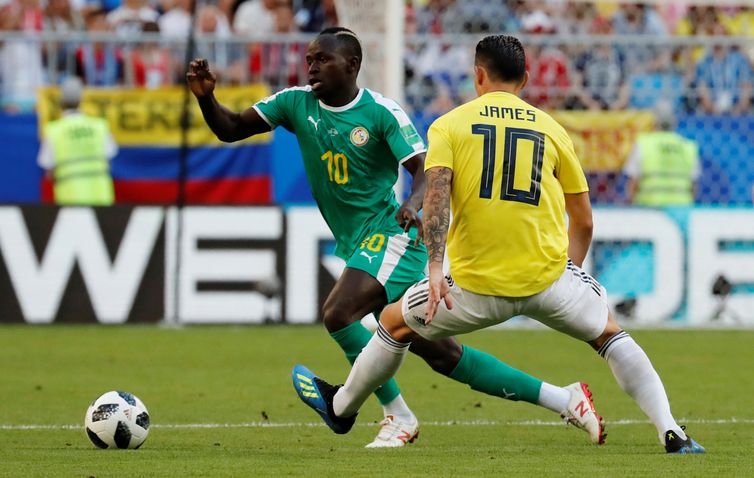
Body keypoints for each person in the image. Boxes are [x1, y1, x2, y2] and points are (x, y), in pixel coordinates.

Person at [189, 27, 604, 448]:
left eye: (322, 59)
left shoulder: (381, 112)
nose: (310, 66)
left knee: (339, 312)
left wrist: (413, 204)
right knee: (443, 355)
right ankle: (565, 398)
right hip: (360, 242)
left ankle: (395, 415)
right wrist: (206, 97)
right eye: (309, 59)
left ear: (351, 65)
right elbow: (231, 128)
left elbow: (426, 167)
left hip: (393, 235)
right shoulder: (295, 103)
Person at [292, 34, 705, 455]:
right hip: (548, 280)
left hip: (475, 286)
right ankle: (671, 430)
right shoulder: (552, 128)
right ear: (526, 78)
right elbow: (583, 219)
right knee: (611, 336)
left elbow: (435, 203)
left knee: (393, 324)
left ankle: (343, 407)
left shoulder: (449, 125)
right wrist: (571, 270)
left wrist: (435, 270)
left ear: (477, 76)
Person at [37, 76, 118, 205]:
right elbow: (109, 161)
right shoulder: (99, 127)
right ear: (81, 99)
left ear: (61, 101)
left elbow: (48, 172)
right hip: (101, 198)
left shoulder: (54, 131)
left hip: (69, 199)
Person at [623, 102, 700, 206]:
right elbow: (693, 186)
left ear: (654, 122)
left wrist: (632, 205)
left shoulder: (643, 144)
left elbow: (633, 182)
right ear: (674, 121)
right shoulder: (687, 147)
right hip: (681, 209)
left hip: (649, 207)